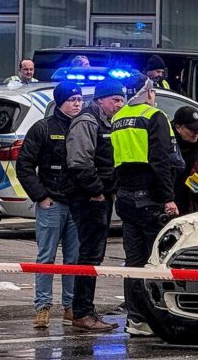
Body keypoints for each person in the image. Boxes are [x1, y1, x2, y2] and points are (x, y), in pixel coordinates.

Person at [111, 73, 179, 336]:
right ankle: (157, 316)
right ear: (148, 92)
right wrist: (168, 198)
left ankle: (136, 318)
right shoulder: (155, 117)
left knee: (134, 261)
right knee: (156, 261)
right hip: (149, 197)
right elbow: (161, 161)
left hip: (126, 197)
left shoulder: (118, 118)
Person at [16, 81, 82, 329]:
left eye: (79, 99)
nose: (77, 104)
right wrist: (41, 196)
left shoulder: (84, 126)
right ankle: (43, 307)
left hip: (76, 204)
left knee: (74, 260)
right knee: (46, 258)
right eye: (72, 100)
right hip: (51, 203)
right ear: (60, 102)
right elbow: (24, 166)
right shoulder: (43, 128)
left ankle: (71, 307)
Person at [65, 79, 126, 332]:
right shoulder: (88, 121)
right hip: (88, 198)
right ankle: (82, 312)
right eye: (115, 100)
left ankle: (84, 310)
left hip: (98, 196)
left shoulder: (104, 122)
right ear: (101, 100)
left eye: (122, 100)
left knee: (93, 254)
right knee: (89, 254)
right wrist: (98, 191)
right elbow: (79, 162)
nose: (119, 105)